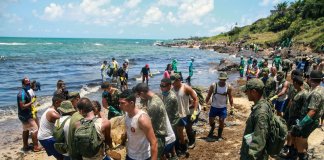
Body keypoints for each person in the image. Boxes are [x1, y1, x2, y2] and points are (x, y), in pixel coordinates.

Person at [291, 70, 323, 160]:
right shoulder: (319, 89)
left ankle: (302, 156)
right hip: (311, 119)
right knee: (303, 138)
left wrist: (301, 123)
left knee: (300, 139)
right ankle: (303, 154)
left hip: (310, 120)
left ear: (310, 79)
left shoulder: (316, 93)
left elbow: (312, 111)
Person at [118, 89, 158, 160]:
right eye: (119, 103)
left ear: (131, 103)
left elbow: (154, 142)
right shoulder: (127, 114)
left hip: (143, 157)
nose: (119, 105)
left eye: (122, 103)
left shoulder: (142, 119)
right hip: (130, 155)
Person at [133, 83, 169, 159]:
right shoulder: (154, 97)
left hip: (158, 137)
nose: (139, 97)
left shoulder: (153, 105)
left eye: (139, 95)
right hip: (159, 133)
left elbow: (147, 123)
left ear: (142, 93)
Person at [240, 78, 272, 160]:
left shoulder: (261, 112)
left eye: (247, 91)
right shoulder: (263, 104)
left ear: (254, 92)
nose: (246, 93)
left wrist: (250, 156)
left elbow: (259, 141)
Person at [279, 76, 308, 159]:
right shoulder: (297, 92)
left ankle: (294, 155)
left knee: (295, 137)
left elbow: (305, 109)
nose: (292, 85)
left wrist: (300, 121)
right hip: (292, 117)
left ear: (296, 83)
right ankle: (291, 154)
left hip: (297, 119)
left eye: (293, 83)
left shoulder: (304, 94)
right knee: (292, 135)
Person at [170, 73, 198, 154]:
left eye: (174, 82)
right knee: (177, 131)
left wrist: (194, 113)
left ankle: (189, 142)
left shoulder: (186, 88)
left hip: (186, 112)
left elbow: (196, 99)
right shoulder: (172, 88)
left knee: (185, 129)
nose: (172, 84)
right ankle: (180, 145)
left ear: (178, 80)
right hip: (175, 114)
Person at [205, 72, 233, 141]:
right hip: (214, 107)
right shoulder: (213, 85)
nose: (223, 81)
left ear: (226, 79)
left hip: (223, 107)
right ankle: (213, 127)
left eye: (224, 79)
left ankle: (219, 135)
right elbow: (208, 95)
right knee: (211, 121)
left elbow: (230, 97)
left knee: (221, 121)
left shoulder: (228, 87)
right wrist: (205, 104)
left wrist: (232, 107)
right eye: (221, 79)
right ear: (219, 79)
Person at [38, 92, 66, 160]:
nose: (63, 105)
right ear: (57, 102)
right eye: (62, 103)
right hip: (47, 138)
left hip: (46, 136)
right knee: (61, 157)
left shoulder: (54, 109)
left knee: (60, 156)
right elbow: (64, 120)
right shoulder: (52, 113)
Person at [17, 77, 42, 152]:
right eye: (27, 84)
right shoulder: (22, 94)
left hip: (22, 115)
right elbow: (22, 106)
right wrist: (32, 102)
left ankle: (25, 146)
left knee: (26, 129)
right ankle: (36, 147)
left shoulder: (25, 91)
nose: (29, 85)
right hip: (26, 115)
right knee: (35, 129)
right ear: (23, 85)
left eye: (29, 83)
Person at [160, 78, 179, 159]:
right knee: (171, 139)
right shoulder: (165, 93)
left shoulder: (171, 97)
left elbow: (164, 110)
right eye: (160, 85)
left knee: (170, 139)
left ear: (169, 86)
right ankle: (173, 154)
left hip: (172, 121)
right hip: (169, 119)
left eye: (163, 86)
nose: (161, 87)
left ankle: (174, 155)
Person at [66, 92, 83, 160]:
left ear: (78, 99)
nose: (71, 104)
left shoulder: (83, 109)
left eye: (72, 101)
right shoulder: (72, 109)